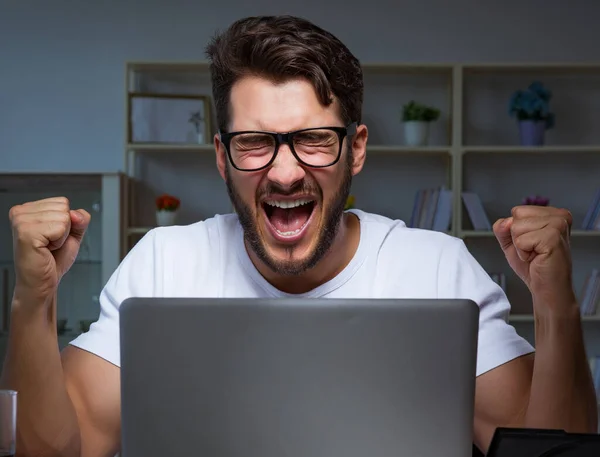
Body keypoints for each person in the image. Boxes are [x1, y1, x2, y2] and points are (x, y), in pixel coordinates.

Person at [1, 14, 597, 457]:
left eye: (313, 139)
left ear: (355, 150)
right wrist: (34, 301)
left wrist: (556, 307)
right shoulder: (165, 261)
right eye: (255, 142)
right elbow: (57, 452)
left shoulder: (436, 266)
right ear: (221, 156)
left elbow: (549, 453)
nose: (285, 172)